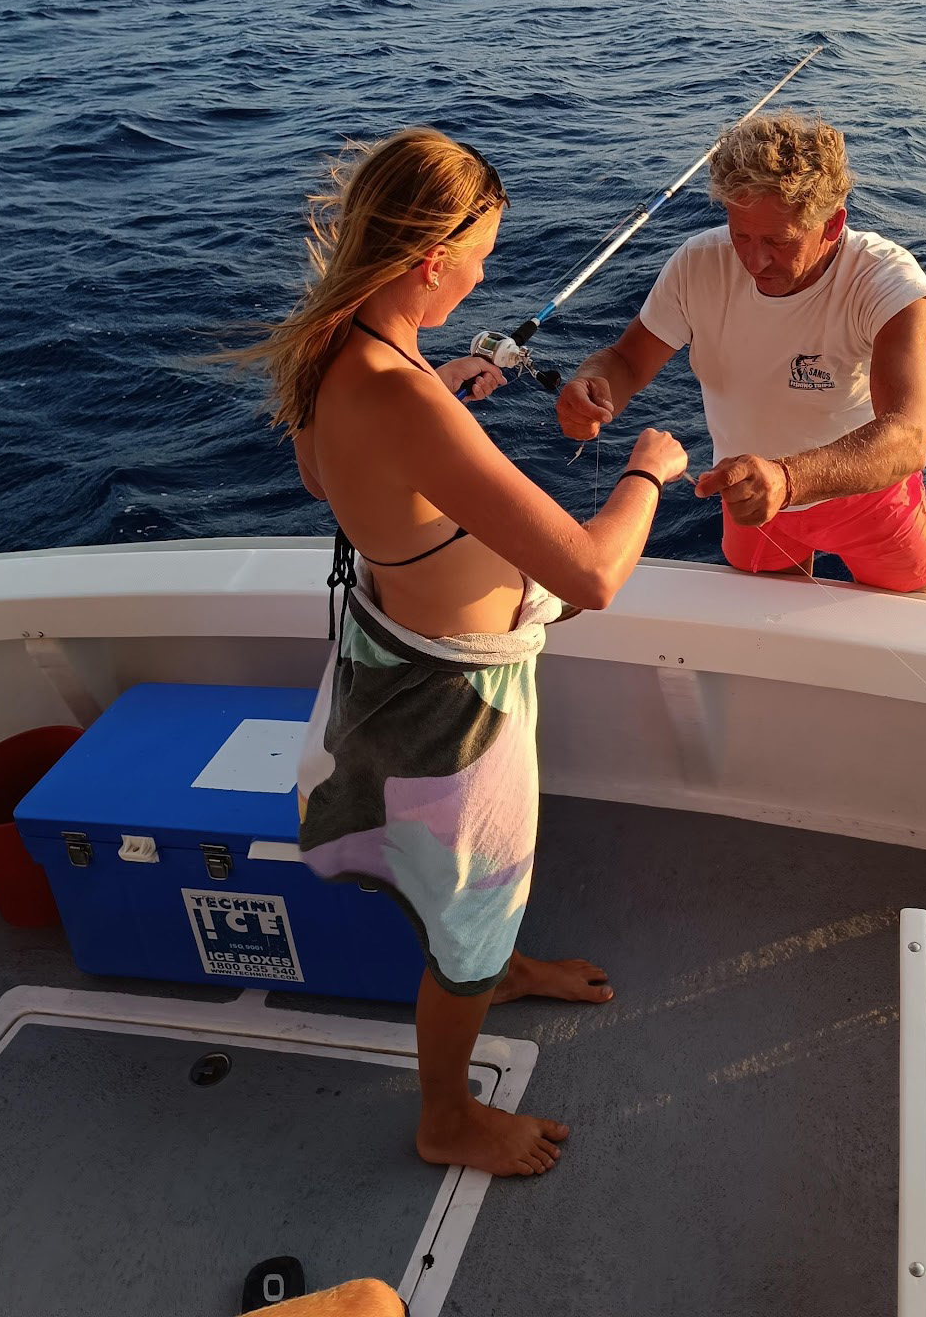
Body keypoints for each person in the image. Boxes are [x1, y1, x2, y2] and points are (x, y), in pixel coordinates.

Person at [236, 128, 686, 1178]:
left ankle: (503, 966)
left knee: (467, 894)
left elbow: (324, 475)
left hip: (398, 650)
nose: (485, 276)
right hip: (458, 706)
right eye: (479, 256)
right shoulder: (402, 397)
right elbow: (592, 575)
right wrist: (647, 472)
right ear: (432, 258)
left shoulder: (334, 347)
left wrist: (444, 385)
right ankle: (447, 1115)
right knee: (473, 914)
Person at [556, 112, 926, 592]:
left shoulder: (886, 283)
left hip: (866, 493)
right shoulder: (698, 263)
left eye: (777, 241)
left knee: (913, 621)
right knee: (764, 628)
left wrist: (787, 479)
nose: (754, 260)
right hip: (749, 493)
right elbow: (627, 361)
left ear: (832, 224)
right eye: (740, 234)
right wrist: (595, 386)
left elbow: (907, 436)